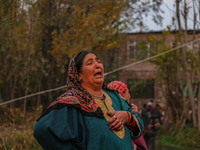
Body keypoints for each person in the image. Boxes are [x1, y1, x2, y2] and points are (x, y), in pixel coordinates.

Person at [34, 51, 144, 150]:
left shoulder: (114, 96)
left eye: (98, 61)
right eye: (90, 63)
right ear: (79, 75)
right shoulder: (72, 102)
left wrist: (127, 117)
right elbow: (41, 129)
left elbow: (139, 124)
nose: (97, 65)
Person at [107, 81, 148, 150]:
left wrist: (135, 116)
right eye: (128, 92)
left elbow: (140, 132)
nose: (129, 95)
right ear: (121, 94)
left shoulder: (128, 110)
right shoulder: (122, 114)